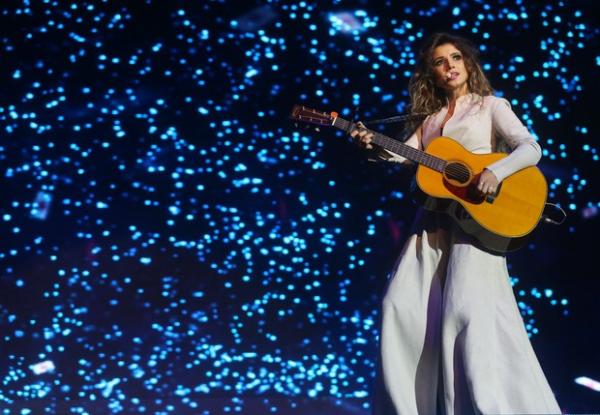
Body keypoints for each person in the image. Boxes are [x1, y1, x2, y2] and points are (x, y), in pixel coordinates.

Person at [350, 33, 561, 415]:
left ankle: (484, 406)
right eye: (439, 61)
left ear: (468, 64)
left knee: (465, 314)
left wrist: (496, 171)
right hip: (431, 223)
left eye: (456, 58)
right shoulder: (429, 119)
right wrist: (372, 146)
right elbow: (403, 156)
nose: (450, 66)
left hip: (475, 219)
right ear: (431, 72)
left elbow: (531, 148)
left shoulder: (490, 106)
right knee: (399, 305)